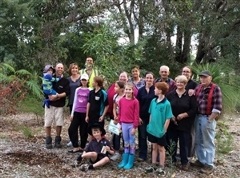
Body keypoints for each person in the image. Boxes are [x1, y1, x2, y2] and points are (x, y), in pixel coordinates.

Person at [191, 71, 222, 175]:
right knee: (198, 140)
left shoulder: (215, 88)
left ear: (210, 78)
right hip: (197, 117)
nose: (202, 79)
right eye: (201, 77)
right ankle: (201, 160)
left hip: (207, 118)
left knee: (208, 141)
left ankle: (209, 164)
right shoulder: (198, 87)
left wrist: (210, 119)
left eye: (205, 77)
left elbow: (217, 106)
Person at [166, 75, 197, 171]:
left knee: (184, 143)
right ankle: (172, 160)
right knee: (172, 142)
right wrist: (170, 116)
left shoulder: (190, 95)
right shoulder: (170, 95)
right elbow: (166, 107)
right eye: (178, 82)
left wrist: (184, 114)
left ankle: (184, 162)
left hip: (185, 123)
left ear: (185, 84)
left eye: (182, 82)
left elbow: (194, 109)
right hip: (172, 123)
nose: (179, 84)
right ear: (175, 83)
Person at [145, 82, 173, 175]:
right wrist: (149, 125)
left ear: (160, 91)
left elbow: (168, 118)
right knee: (154, 147)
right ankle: (153, 165)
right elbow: (151, 114)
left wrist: (164, 131)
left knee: (161, 148)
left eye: (155, 88)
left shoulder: (167, 104)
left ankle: (161, 167)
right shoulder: (153, 101)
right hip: (152, 129)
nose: (154, 90)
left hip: (160, 131)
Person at [44, 63, 70, 149]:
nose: (60, 69)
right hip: (50, 104)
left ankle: (58, 140)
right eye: (58, 67)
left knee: (59, 123)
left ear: (63, 69)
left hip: (60, 105)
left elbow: (67, 93)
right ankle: (48, 140)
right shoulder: (50, 77)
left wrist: (57, 96)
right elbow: (44, 88)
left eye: (61, 68)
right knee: (48, 122)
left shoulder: (65, 81)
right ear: (55, 68)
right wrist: (50, 97)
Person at [117, 83, 139, 170]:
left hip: (131, 125)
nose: (128, 91)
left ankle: (130, 161)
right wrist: (119, 123)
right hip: (124, 124)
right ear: (124, 90)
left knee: (132, 143)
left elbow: (136, 115)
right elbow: (120, 113)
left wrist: (134, 127)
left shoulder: (135, 101)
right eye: (126, 89)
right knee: (126, 142)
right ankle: (124, 160)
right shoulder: (121, 100)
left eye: (130, 89)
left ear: (132, 91)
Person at [68, 73, 90, 153]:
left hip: (85, 113)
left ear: (87, 81)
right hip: (77, 111)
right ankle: (75, 145)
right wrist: (72, 113)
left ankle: (82, 146)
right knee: (71, 129)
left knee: (83, 131)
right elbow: (75, 101)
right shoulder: (78, 89)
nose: (84, 81)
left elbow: (90, 103)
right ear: (80, 80)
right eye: (82, 80)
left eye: (85, 80)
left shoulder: (90, 90)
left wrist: (88, 114)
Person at [137, 72, 155, 161]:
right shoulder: (140, 90)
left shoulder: (156, 90)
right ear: (144, 79)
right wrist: (138, 117)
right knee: (142, 136)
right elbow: (137, 105)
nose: (149, 79)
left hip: (153, 118)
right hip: (142, 117)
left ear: (153, 79)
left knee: (152, 136)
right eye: (147, 78)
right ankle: (142, 155)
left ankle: (154, 156)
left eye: (150, 78)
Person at [181, 66, 198, 157]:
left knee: (190, 134)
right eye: (183, 71)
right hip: (179, 113)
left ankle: (189, 154)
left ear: (191, 74)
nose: (185, 73)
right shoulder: (178, 82)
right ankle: (181, 153)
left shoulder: (194, 84)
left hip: (189, 113)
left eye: (187, 72)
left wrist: (194, 91)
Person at [66, 63, 81, 147]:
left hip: (81, 104)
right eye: (72, 68)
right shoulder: (68, 79)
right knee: (73, 123)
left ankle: (82, 140)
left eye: (76, 68)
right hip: (72, 103)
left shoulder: (82, 78)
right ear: (70, 70)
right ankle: (73, 139)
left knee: (81, 123)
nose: (74, 70)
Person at [110, 81, 125, 161]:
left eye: (116, 87)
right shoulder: (115, 96)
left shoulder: (125, 96)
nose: (115, 88)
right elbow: (114, 107)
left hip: (123, 118)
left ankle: (125, 150)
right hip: (116, 118)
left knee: (123, 135)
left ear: (122, 89)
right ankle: (116, 151)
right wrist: (115, 115)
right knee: (115, 134)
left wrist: (119, 117)